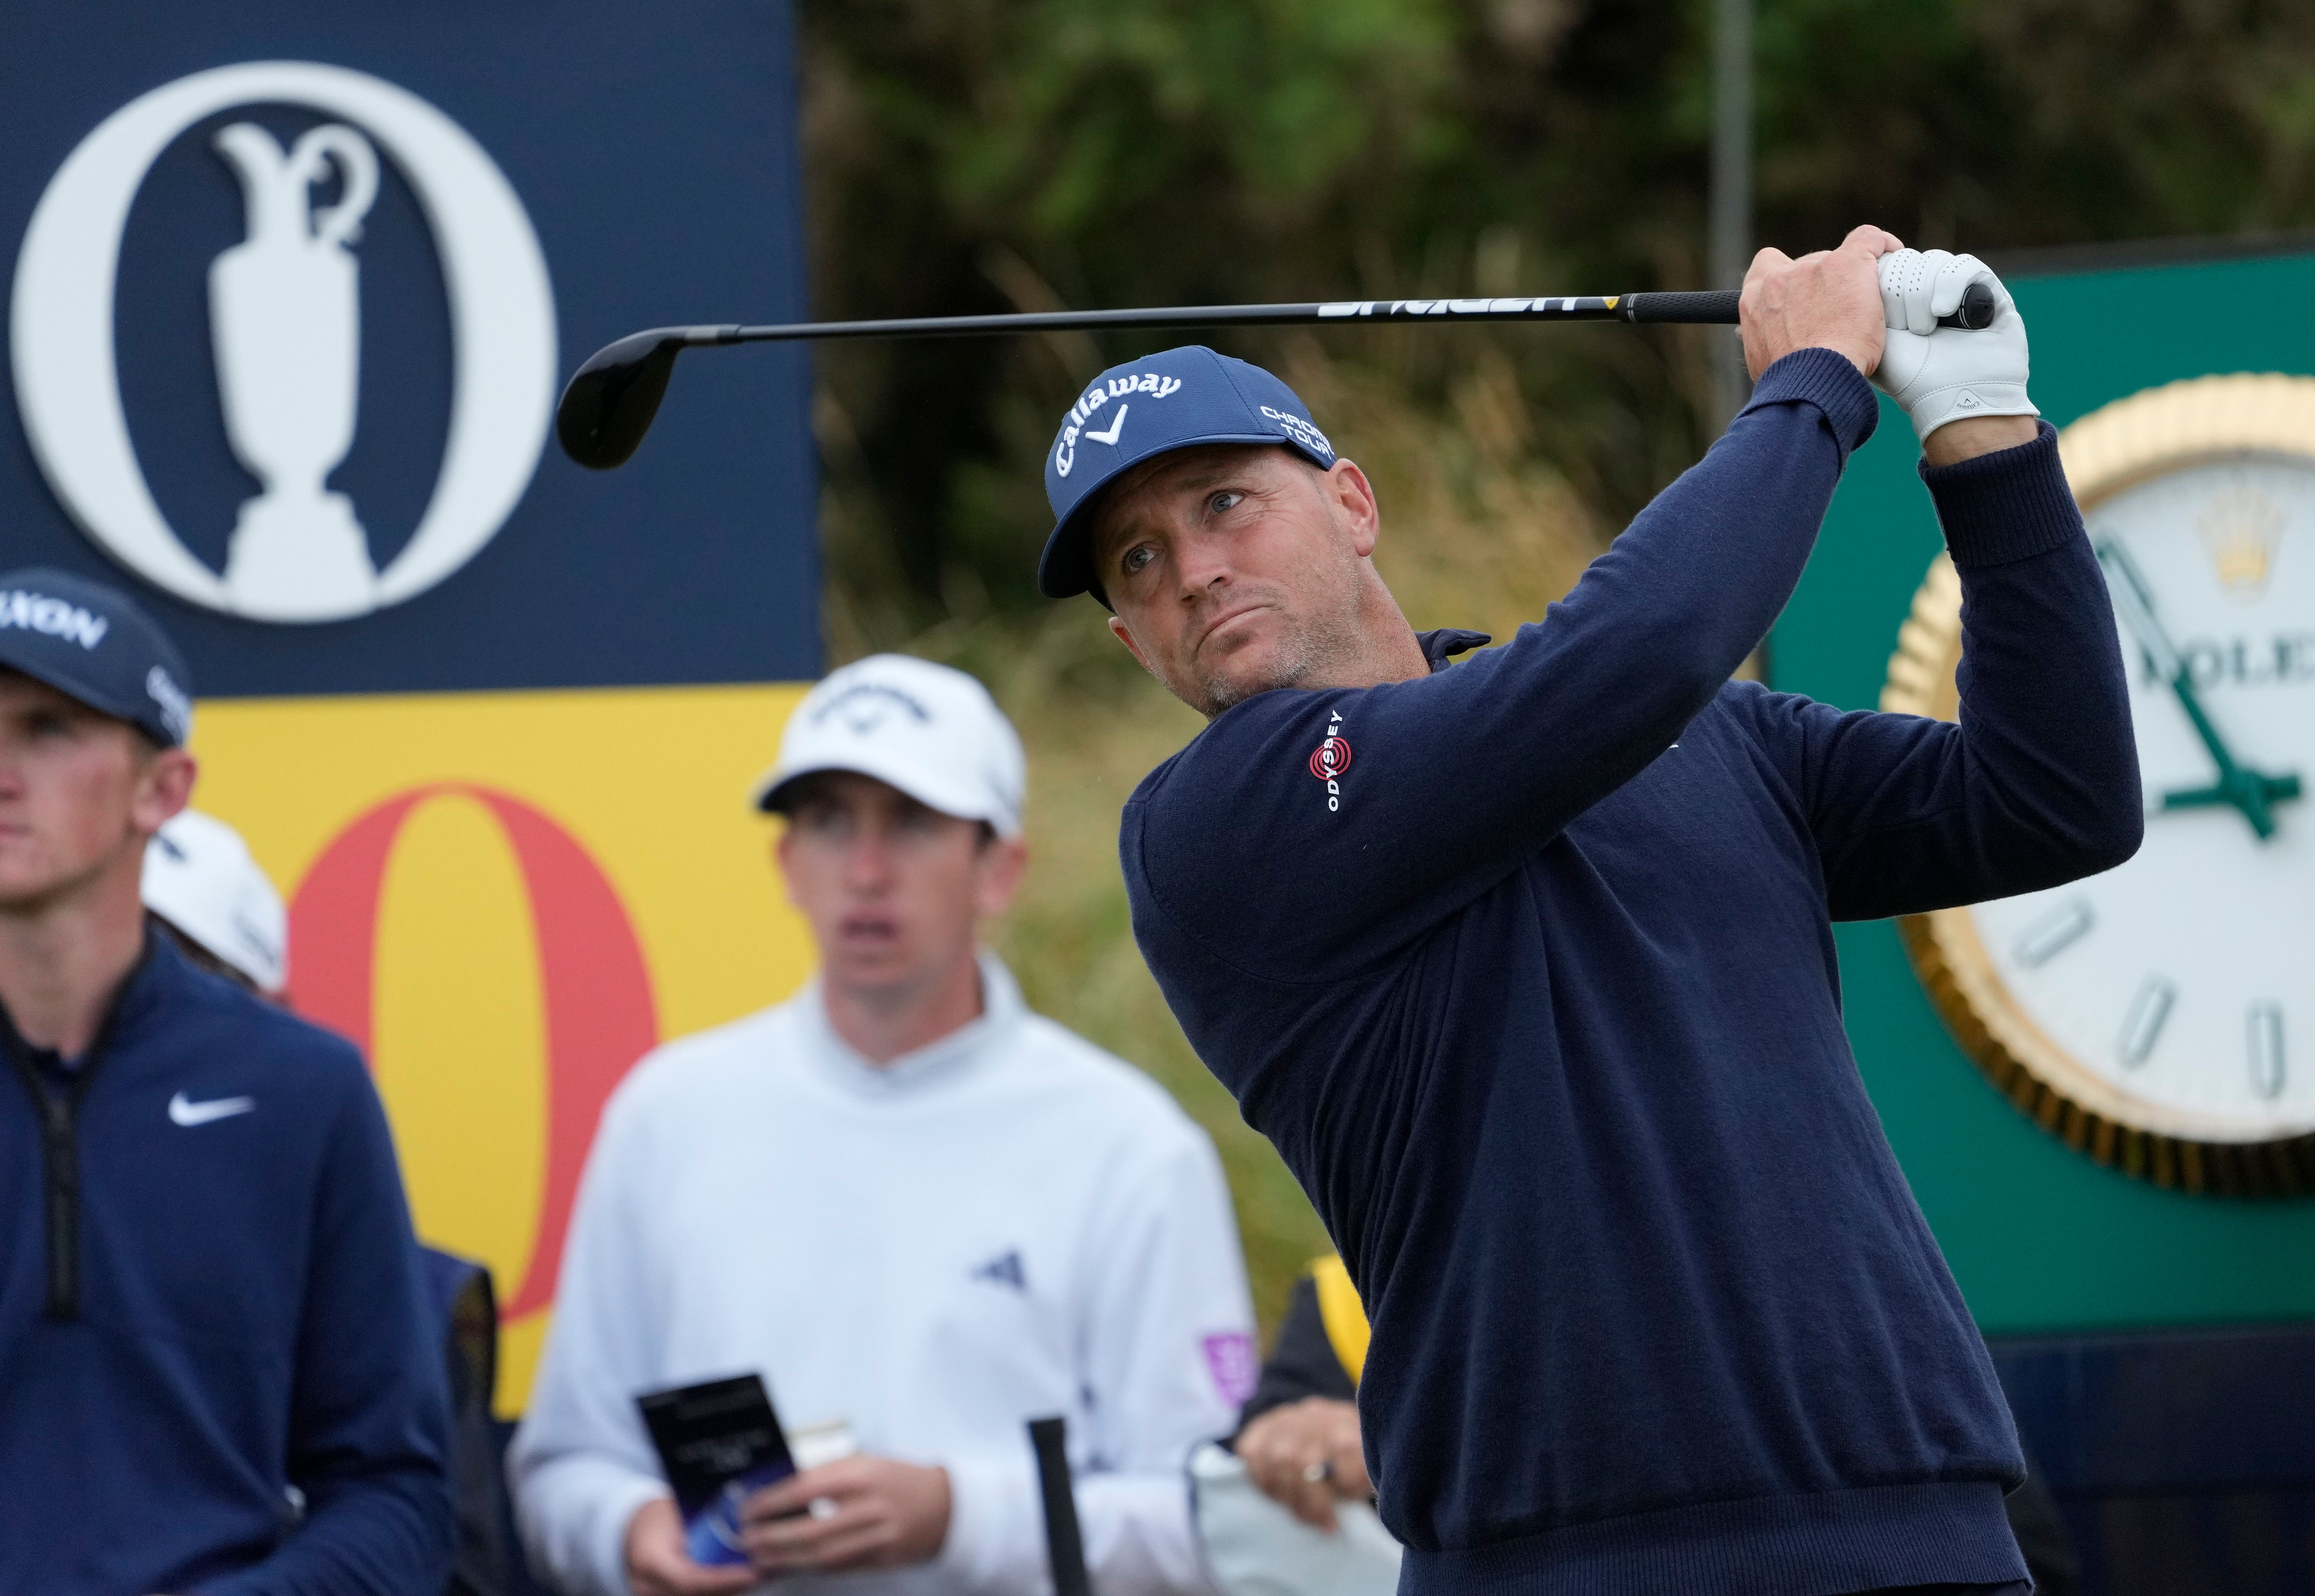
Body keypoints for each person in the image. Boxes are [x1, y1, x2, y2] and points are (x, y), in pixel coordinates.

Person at [1031, 230, 2142, 1594]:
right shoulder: (1213, 829)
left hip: (1918, 1538)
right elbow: (1630, 653)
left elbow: (2052, 796)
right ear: (1128, 643)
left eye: (1221, 503)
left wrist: (1982, 434)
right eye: (1134, 563)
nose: (1189, 570)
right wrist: (1806, 384)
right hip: (1564, 1564)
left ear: (1352, 504)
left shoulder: (1699, 741)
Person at [510, 653, 1257, 1596]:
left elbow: (1210, 1518)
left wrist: (958, 1513)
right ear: (786, 862)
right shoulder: (667, 1114)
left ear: (999, 868)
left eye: (910, 822)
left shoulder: (1128, 1146)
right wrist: (630, 1531)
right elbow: (564, 1466)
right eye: (828, 821)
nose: (865, 871)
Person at [0, 567, 452, 1593]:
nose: (3, 768)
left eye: (47, 728)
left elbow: (398, 1493)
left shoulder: (303, 1089)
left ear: (162, 789)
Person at [142, 805, 512, 1596]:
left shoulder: (415, 1298)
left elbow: (446, 1567)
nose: (148, 1017)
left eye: (187, 972)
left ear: (274, 1013)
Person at [1232, 1256, 2080, 1595]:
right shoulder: (1358, 1297)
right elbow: (1266, 1448)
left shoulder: (1813, 1270)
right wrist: (1302, 1438)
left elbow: (2017, 1550)